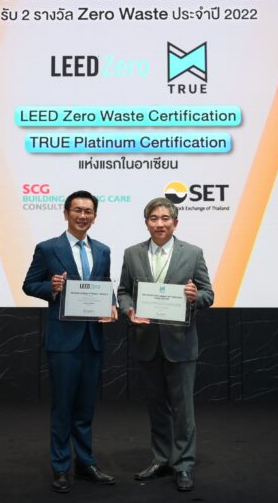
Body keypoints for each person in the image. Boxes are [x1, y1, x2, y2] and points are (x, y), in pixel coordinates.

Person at [23, 190, 117, 494]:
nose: (82, 216)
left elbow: (104, 285)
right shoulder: (48, 248)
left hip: (92, 339)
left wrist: (112, 305)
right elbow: (29, 285)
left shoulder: (103, 250)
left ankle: (86, 464)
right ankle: (61, 467)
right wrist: (51, 287)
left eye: (88, 211)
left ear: (95, 216)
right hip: (63, 342)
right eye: (77, 210)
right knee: (63, 408)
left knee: (85, 408)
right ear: (66, 213)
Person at [117, 197, 214, 492]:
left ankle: (183, 464)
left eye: (165, 218)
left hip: (180, 343)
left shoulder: (193, 253)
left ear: (175, 222)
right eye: (154, 218)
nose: (159, 224)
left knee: (183, 409)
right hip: (146, 342)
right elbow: (123, 291)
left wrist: (194, 297)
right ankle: (161, 459)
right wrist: (128, 310)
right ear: (146, 222)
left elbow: (208, 294)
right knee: (157, 407)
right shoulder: (132, 253)